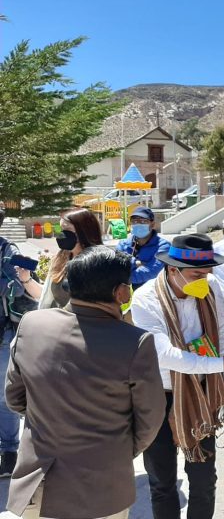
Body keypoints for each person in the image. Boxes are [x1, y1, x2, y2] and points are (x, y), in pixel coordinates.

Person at [4, 246, 166, 519]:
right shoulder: (135, 342)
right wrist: (114, 450)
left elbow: (15, 398)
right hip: (102, 491)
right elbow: (150, 419)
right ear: (121, 292)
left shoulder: (32, 324)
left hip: (38, 485)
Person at [131, 233, 224, 519]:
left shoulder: (208, 287)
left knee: (203, 479)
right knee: (162, 482)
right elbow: (165, 356)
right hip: (158, 395)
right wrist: (221, 365)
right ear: (173, 270)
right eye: (197, 273)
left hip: (201, 393)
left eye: (209, 270)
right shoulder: (145, 300)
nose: (206, 277)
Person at [0, 208, 25, 478]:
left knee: (3, 398)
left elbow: (17, 285)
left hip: (2, 334)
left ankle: (9, 451)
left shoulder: (8, 250)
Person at [38, 208, 103, 309]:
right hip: (59, 322)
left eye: (67, 230)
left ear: (84, 231)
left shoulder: (100, 263)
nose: (61, 234)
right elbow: (47, 297)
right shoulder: (59, 259)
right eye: (60, 229)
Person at [117, 206, 171, 290]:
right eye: (134, 221)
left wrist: (124, 278)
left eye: (143, 221)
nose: (138, 224)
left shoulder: (164, 246)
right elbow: (117, 267)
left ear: (152, 225)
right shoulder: (123, 244)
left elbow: (152, 272)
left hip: (154, 292)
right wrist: (137, 263)